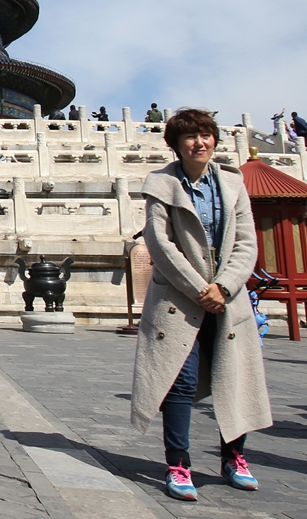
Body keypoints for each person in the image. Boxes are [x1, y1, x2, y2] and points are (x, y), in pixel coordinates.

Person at [130, 108, 271, 501]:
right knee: (180, 380)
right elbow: (159, 242)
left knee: (232, 375)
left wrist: (223, 286)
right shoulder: (161, 183)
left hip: (228, 298)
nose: (200, 142)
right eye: (190, 137)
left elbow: (246, 242)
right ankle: (178, 463)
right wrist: (200, 289)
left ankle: (234, 458)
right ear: (175, 144)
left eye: (206, 135)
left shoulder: (232, 183)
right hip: (179, 297)